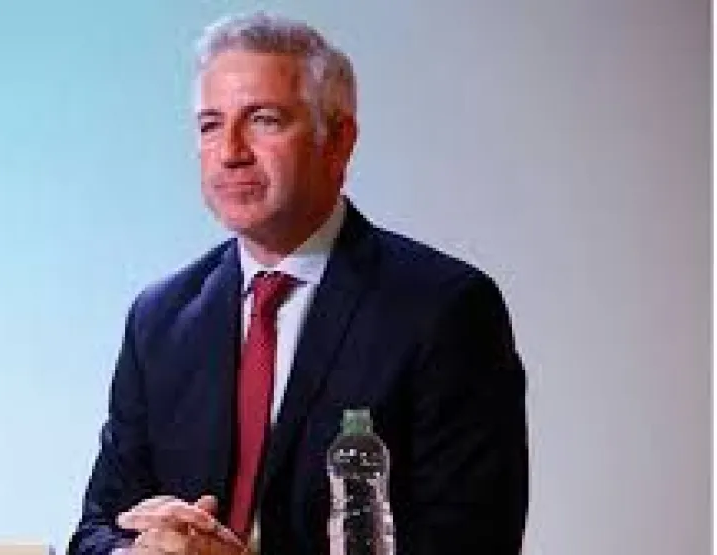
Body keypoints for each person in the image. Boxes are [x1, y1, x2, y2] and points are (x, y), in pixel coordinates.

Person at [68, 11, 528, 555]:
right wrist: (136, 553)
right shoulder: (160, 320)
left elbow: (472, 543)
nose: (231, 152)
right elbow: (96, 528)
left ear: (338, 142)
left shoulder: (443, 310)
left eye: (263, 120)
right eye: (210, 125)